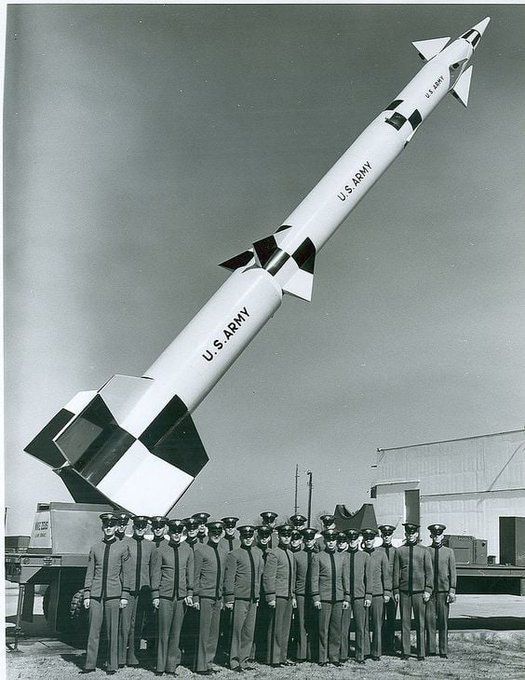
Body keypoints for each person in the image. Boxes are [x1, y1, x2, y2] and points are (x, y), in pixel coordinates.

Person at [82, 512, 130, 675]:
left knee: (112, 632)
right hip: (96, 595)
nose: (109, 528)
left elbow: (125, 574)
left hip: (114, 595)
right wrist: (87, 593)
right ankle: (89, 664)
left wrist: (124, 595)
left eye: (112, 525)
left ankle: (112, 665)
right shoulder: (95, 548)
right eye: (106, 525)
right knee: (93, 631)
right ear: (103, 527)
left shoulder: (123, 547)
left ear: (116, 527)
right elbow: (90, 572)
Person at [151, 519, 194, 676]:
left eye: (179, 531)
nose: (176, 534)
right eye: (173, 531)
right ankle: (160, 666)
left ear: (182, 533)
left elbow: (190, 574)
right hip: (165, 596)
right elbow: (155, 574)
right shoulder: (160, 550)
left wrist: (189, 593)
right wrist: (155, 595)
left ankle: (171, 666)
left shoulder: (187, 550)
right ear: (169, 533)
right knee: (163, 632)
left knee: (176, 633)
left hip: (181, 597)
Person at [223, 525, 265, 672]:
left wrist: (257, 595)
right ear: (240, 537)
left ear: (253, 537)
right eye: (245, 537)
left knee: (248, 631)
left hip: (253, 598)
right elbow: (229, 578)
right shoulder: (234, 554)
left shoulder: (258, 553)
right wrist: (229, 598)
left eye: (250, 536)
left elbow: (259, 575)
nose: (248, 539)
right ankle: (234, 661)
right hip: (240, 598)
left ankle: (244, 660)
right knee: (237, 630)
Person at [393, 522, 433, 661]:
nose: (410, 535)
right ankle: (406, 652)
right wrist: (396, 590)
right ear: (405, 534)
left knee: (420, 622)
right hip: (404, 592)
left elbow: (429, 572)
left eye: (413, 533)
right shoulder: (399, 551)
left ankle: (421, 652)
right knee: (405, 622)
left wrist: (428, 589)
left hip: (419, 592)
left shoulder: (424, 551)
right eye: (408, 533)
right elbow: (396, 572)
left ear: (416, 534)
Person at [119, 515, 155, 668]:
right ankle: (120, 657)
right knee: (124, 624)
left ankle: (133, 657)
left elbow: (153, 569)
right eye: (137, 526)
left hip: (144, 591)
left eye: (143, 526)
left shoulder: (151, 546)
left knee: (138, 625)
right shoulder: (125, 543)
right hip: (128, 590)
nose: (140, 529)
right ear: (133, 527)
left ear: (146, 528)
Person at [311, 528, 349, 667]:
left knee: (336, 629)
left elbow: (345, 578)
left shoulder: (342, 556)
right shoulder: (318, 557)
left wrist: (346, 597)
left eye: (333, 539)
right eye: (328, 540)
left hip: (338, 597)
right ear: (325, 541)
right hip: (324, 598)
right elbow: (314, 579)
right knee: (323, 629)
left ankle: (334, 657)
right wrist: (316, 597)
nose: (331, 542)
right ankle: (322, 657)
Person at [193, 521, 227, 675]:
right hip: (205, 596)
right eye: (213, 532)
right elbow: (196, 576)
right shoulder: (201, 550)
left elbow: (224, 577)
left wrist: (223, 597)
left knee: (214, 633)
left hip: (217, 597)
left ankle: (209, 663)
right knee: (204, 632)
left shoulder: (223, 551)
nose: (216, 535)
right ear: (208, 533)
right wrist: (195, 597)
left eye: (219, 532)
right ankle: (200, 666)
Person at [263, 524, 296, 667]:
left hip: (288, 595)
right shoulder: (274, 553)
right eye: (284, 535)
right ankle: (273, 658)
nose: (287, 538)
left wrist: (293, 595)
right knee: (276, 628)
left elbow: (292, 577)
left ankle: (282, 657)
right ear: (279, 537)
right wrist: (271, 596)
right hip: (278, 595)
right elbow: (269, 576)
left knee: (285, 629)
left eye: (289, 535)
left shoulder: (290, 553)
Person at [425, 523, 457, 658]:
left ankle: (443, 650)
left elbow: (453, 572)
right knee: (430, 621)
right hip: (430, 592)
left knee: (443, 622)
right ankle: (431, 649)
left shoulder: (449, 552)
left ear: (442, 536)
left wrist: (452, 590)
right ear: (431, 536)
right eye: (434, 535)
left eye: (439, 535)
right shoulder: (426, 551)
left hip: (444, 591)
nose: (436, 537)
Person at [343, 529, 372, 665]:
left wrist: (368, 595)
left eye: (354, 539)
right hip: (346, 596)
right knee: (344, 626)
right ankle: (343, 654)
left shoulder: (365, 556)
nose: (352, 542)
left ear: (358, 540)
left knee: (361, 626)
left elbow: (368, 578)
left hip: (360, 596)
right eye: (350, 539)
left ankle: (360, 655)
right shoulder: (342, 555)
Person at [362, 528, 391, 661]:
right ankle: (365, 650)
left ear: (374, 540)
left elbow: (386, 575)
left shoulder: (381, 555)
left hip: (378, 594)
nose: (368, 541)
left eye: (371, 539)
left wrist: (387, 592)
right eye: (366, 539)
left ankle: (376, 652)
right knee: (364, 624)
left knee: (377, 624)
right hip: (363, 594)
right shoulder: (361, 555)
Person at [291, 528, 318, 663]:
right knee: (301, 622)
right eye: (306, 540)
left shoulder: (318, 555)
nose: (308, 542)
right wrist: (294, 595)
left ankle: (312, 652)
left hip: (315, 594)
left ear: (314, 540)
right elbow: (293, 577)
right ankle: (301, 654)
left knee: (313, 622)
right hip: (301, 593)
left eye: (311, 539)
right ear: (303, 540)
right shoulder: (297, 555)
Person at [252, 525, 273, 662]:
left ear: (270, 537)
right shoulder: (254, 551)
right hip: (257, 591)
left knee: (267, 623)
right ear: (257, 537)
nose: (264, 539)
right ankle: (252, 654)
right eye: (261, 536)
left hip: (269, 592)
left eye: (266, 536)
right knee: (254, 624)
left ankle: (264, 653)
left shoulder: (272, 552)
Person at [377, 524, 397, 654]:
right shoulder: (377, 551)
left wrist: (396, 590)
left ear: (392, 536)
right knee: (378, 619)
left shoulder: (397, 551)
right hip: (379, 590)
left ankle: (390, 646)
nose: (387, 537)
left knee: (391, 619)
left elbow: (398, 572)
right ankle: (378, 646)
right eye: (384, 535)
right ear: (381, 536)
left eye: (389, 535)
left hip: (393, 590)